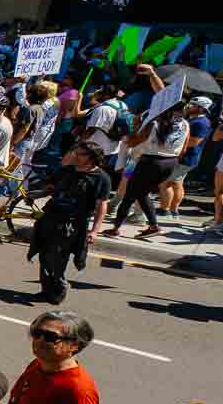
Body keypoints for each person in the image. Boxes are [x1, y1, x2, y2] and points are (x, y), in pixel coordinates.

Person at [27, 142, 110, 302]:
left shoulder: (101, 178)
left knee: (58, 257)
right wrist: (35, 195)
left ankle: (59, 286)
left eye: (80, 154)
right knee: (43, 253)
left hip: (72, 224)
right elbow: (50, 188)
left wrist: (95, 230)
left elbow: (101, 205)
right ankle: (47, 290)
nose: (75, 156)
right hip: (50, 217)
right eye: (75, 152)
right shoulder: (66, 171)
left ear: (91, 158)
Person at [105, 97, 188, 239]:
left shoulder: (154, 123)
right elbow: (184, 149)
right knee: (141, 193)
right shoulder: (185, 124)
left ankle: (116, 228)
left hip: (149, 162)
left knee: (131, 195)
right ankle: (152, 225)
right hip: (170, 163)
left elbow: (133, 142)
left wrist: (132, 131)